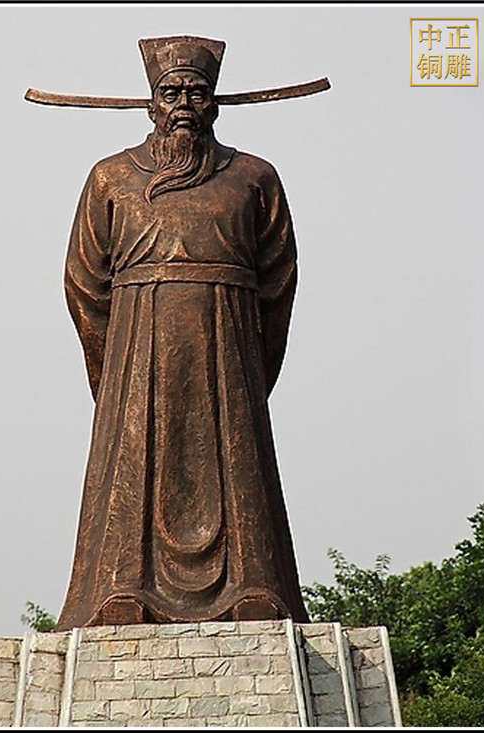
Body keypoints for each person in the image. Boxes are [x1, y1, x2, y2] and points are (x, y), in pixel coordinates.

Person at [56, 36, 310, 629]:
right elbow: (84, 283)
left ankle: (253, 587)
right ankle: (120, 589)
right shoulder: (111, 177)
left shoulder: (254, 177)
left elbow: (279, 280)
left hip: (228, 341)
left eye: (197, 93)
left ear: (214, 102)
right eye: (171, 93)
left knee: (237, 452)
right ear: (151, 103)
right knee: (132, 455)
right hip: (137, 344)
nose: (184, 105)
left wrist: (251, 366)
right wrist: (113, 371)